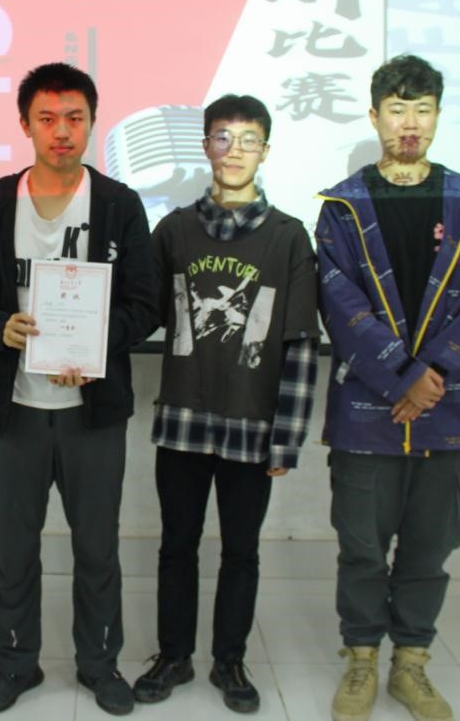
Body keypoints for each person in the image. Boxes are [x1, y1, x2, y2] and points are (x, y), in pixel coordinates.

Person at [0, 62, 158, 716]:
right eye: (47, 118)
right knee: (15, 546)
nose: (61, 131)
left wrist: (97, 345)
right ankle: (16, 661)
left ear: (91, 123)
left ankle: (99, 663)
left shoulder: (119, 205)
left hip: (91, 410)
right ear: (25, 125)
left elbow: (145, 302)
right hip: (12, 406)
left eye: (74, 118)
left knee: (96, 546)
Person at [316, 55, 460, 721]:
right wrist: (402, 375)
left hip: (447, 407)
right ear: (375, 117)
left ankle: (411, 664)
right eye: (397, 110)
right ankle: (362, 659)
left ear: (437, 116)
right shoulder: (342, 207)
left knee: (430, 546)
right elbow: (338, 302)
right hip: (367, 409)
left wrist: (433, 375)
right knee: (361, 547)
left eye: (422, 110)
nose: (409, 123)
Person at [131, 94, 320, 715]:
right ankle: (173, 655)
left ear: (265, 150)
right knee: (176, 545)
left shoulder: (289, 237)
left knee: (241, 550)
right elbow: (139, 312)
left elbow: (300, 342)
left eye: (248, 140)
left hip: (251, 424)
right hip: (183, 419)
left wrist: (287, 436)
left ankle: (229, 658)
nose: (234, 151)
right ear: (205, 146)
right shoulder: (173, 230)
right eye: (222, 137)